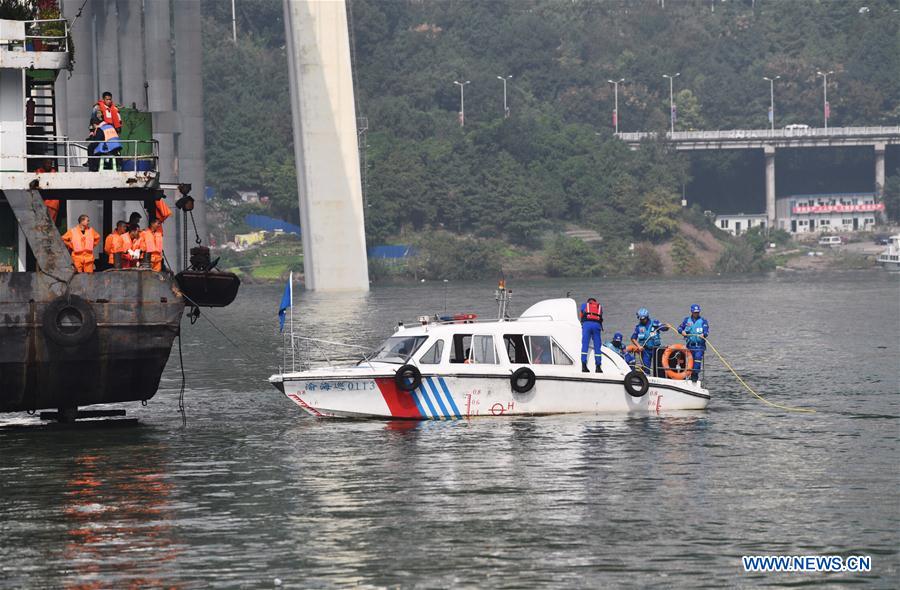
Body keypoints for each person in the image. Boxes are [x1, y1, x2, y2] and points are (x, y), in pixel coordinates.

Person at [677, 304, 709, 382]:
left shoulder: (703, 321)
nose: (696, 313)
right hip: (690, 346)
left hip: (699, 347)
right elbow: (679, 328)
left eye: (697, 312)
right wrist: (682, 332)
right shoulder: (687, 320)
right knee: (688, 363)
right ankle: (684, 377)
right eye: (695, 312)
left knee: (697, 361)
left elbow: (706, 331)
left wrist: (703, 334)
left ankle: (694, 378)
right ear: (691, 312)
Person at [579, 297, 603, 373]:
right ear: (595, 302)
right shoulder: (599, 307)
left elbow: (581, 316)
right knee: (597, 347)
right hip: (596, 326)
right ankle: (598, 367)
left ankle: (584, 365)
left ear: (588, 302)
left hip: (587, 325)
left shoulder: (584, 305)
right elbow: (600, 317)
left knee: (585, 345)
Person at [630, 308, 656, 372]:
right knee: (646, 367)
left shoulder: (654, 323)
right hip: (645, 350)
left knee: (658, 366)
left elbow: (664, 328)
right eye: (640, 319)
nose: (642, 320)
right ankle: (647, 377)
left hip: (655, 349)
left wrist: (666, 327)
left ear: (647, 317)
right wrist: (639, 346)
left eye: (643, 319)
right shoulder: (638, 327)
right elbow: (633, 338)